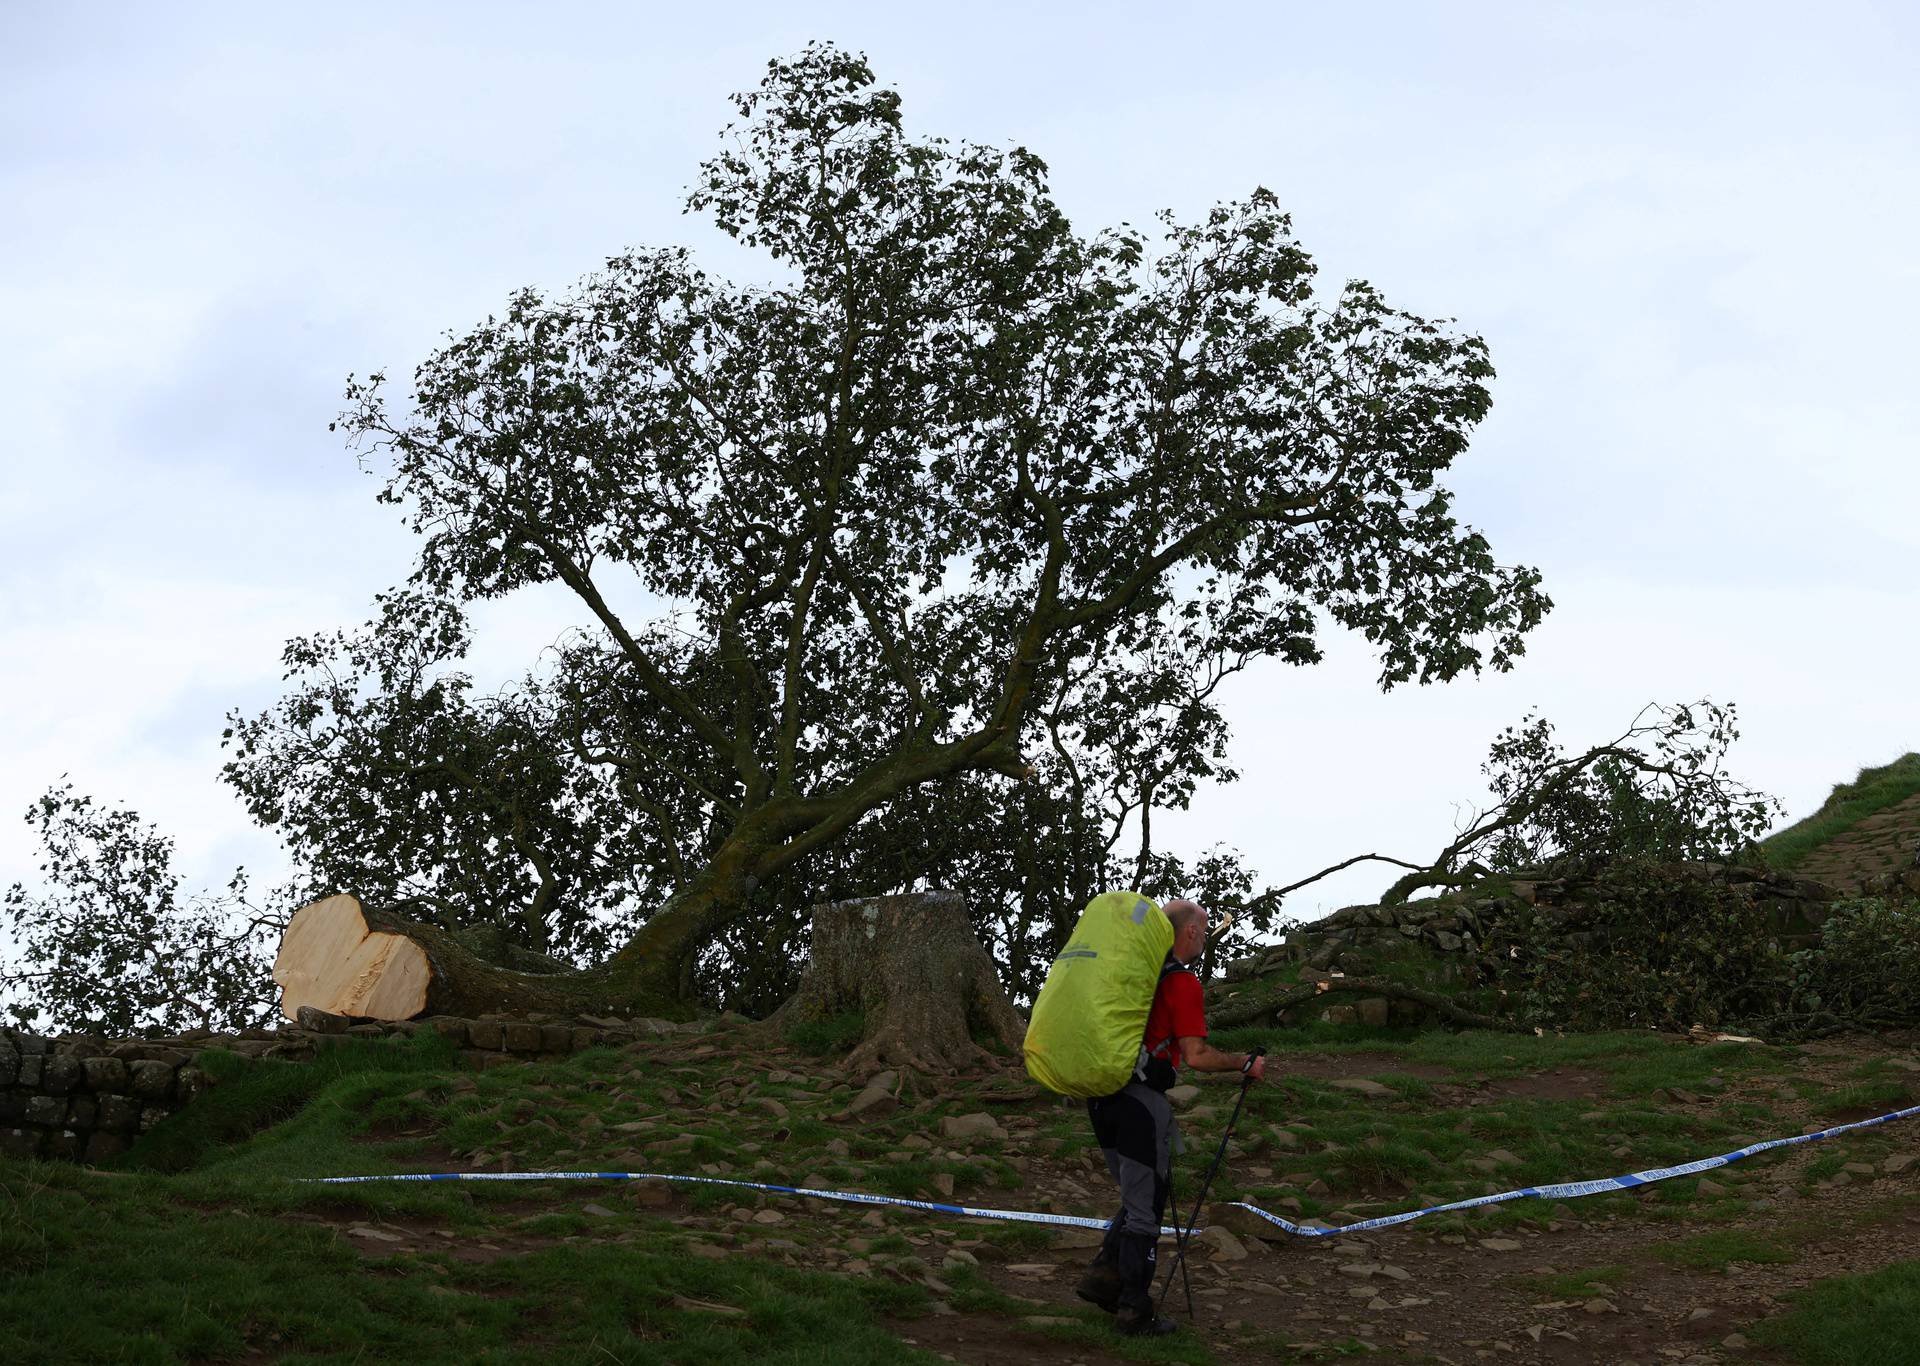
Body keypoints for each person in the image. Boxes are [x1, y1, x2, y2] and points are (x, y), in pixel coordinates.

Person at [1076, 897, 1267, 1336]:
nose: (1203, 936)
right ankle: (1134, 1310)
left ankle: (1104, 1278)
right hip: (1141, 1103)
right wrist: (1243, 1063)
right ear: (1193, 933)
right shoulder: (1181, 983)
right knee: (1146, 1210)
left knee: (1136, 1197)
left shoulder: (1133, 974)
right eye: (1201, 929)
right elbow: (1195, 1056)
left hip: (1101, 1094)